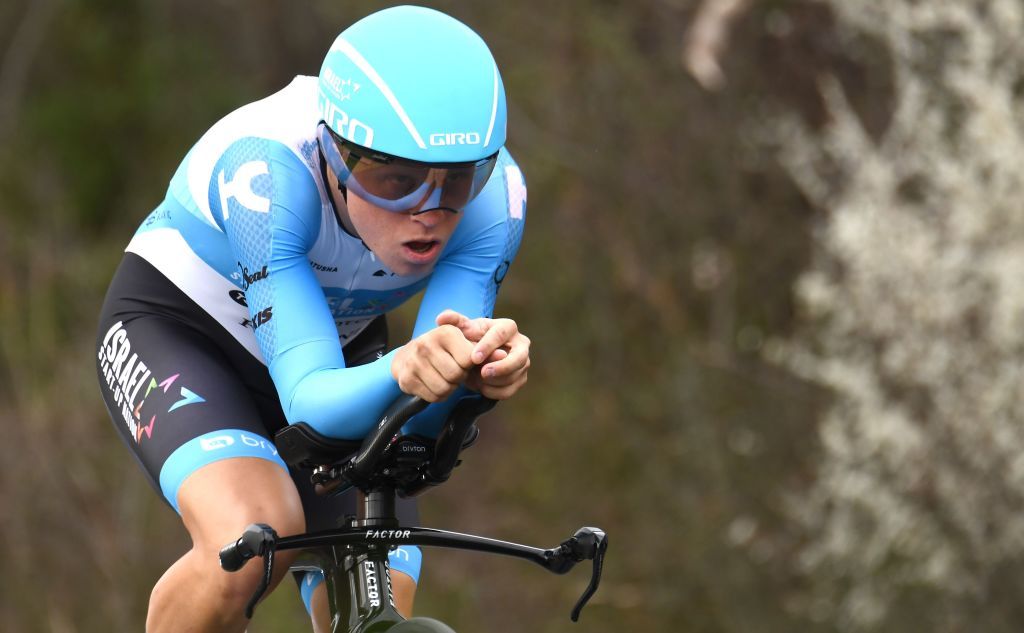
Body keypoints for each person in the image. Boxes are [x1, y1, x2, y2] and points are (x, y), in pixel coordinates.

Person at [94, 6, 529, 632]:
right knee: (250, 540)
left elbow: (422, 424)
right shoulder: (266, 176)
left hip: (337, 351)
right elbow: (310, 404)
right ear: (335, 153)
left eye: (456, 181)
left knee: (381, 580)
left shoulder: (495, 203)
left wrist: (472, 370)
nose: (427, 211)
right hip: (182, 334)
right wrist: (409, 365)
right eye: (394, 178)